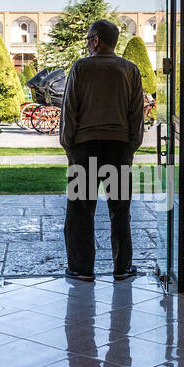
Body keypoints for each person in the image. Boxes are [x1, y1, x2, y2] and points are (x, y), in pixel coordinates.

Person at [59, 19, 145, 282]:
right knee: (120, 212)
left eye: (88, 39)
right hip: (118, 149)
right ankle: (122, 268)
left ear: (96, 39)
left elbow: (69, 112)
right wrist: (130, 148)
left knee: (80, 212)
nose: (87, 43)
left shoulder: (81, 68)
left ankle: (81, 269)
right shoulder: (130, 69)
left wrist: (69, 146)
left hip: (84, 149)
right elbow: (136, 115)